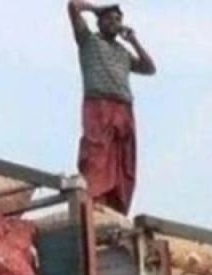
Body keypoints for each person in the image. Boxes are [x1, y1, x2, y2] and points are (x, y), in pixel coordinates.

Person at [67, 1, 156, 214]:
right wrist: (96, 9)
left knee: (122, 160)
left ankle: (115, 206)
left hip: (123, 106)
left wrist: (133, 40)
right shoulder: (89, 40)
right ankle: (93, 202)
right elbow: (73, 6)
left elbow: (149, 68)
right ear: (100, 22)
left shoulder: (123, 52)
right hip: (99, 105)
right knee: (96, 155)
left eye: (118, 19)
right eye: (110, 18)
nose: (114, 22)